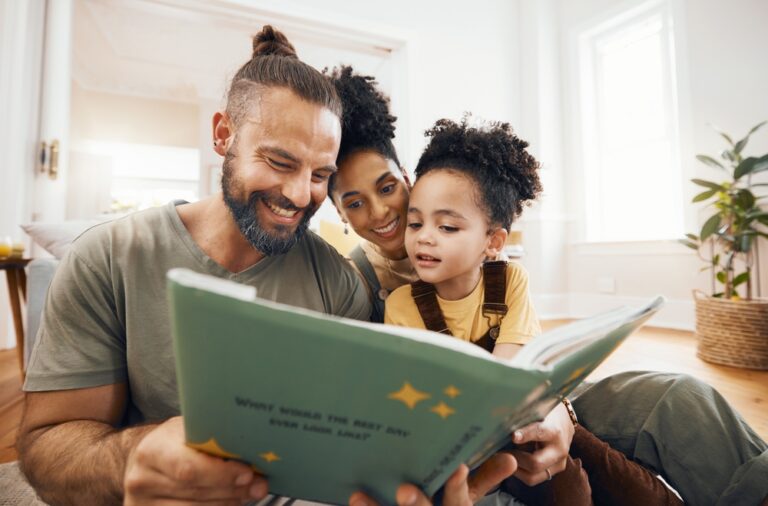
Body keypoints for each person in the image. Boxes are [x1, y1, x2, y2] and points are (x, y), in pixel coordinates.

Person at [17, 26, 511, 506]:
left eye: (320, 175)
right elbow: (46, 444)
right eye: (279, 162)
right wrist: (132, 456)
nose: (300, 195)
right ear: (222, 134)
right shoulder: (107, 258)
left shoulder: (339, 282)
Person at [327, 67, 768, 505]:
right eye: (354, 203)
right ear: (339, 214)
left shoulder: (499, 269)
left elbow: (525, 360)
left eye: (387, 187)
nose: (382, 211)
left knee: (682, 396)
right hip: (467, 439)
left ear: (406, 177)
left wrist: (559, 410)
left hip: (537, 399)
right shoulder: (357, 284)